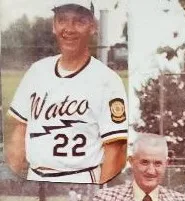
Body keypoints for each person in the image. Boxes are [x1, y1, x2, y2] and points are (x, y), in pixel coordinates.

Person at [6, 0, 127, 183]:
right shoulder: (37, 72)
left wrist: (99, 191)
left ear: (93, 27)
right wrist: (17, 181)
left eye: (79, 21)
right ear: (54, 26)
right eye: (62, 20)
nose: (69, 29)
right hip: (35, 175)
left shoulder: (108, 81)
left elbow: (116, 150)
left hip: (82, 178)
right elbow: (18, 130)